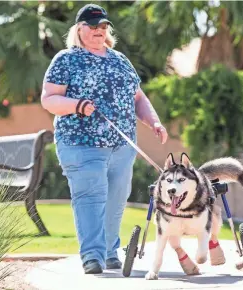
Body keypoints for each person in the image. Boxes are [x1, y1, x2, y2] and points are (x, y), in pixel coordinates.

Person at [40, 3, 168, 274]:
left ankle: (110, 252)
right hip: (80, 144)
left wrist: (154, 121)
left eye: (103, 26)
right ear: (79, 28)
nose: (100, 31)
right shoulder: (65, 59)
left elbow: (138, 98)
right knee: (91, 197)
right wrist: (76, 105)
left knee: (116, 199)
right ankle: (92, 257)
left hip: (122, 147)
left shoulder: (119, 59)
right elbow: (49, 99)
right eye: (93, 26)